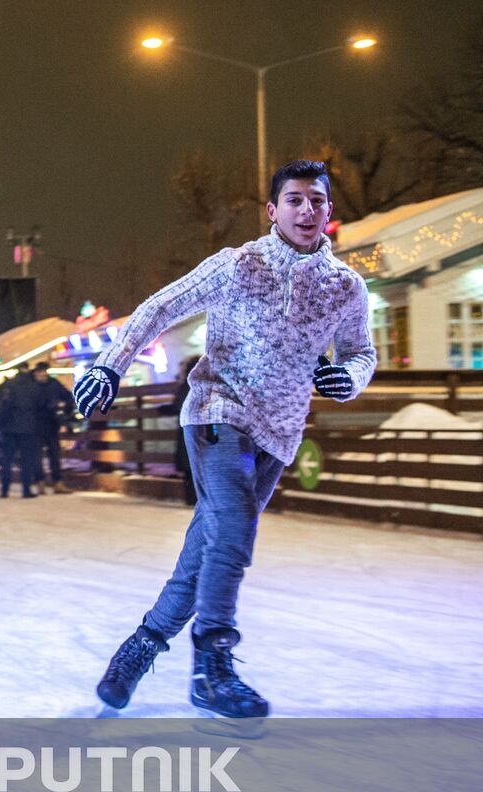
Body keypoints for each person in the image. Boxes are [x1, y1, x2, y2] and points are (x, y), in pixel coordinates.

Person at [76, 160, 376, 724]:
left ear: (330, 212)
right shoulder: (240, 266)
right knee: (233, 524)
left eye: (317, 200)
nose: (306, 210)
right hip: (219, 412)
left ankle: (139, 648)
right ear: (272, 210)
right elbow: (161, 305)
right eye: (294, 200)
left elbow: (362, 351)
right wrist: (110, 366)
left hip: (281, 432)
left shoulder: (345, 287)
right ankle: (213, 665)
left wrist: (350, 378)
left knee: (209, 548)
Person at [0, 367, 45, 499]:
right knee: (27, 460)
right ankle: (26, 489)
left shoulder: (7, 385)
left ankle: (4, 490)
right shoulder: (34, 387)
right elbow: (41, 406)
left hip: (9, 428)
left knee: (7, 459)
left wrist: (0, 424)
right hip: (28, 428)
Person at [162, 355, 201, 506]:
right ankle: (198, 500)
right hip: (205, 431)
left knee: (190, 467)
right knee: (198, 467)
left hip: (190, 431)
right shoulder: (209, 384)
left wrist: (162, 410)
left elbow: (178, 406)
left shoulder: (188, 386)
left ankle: (193, 500)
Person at [32, 362, 75, 493]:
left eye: (43, 371)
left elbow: (69, 398)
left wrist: (65, 414)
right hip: (37, 425)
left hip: (50, 424)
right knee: (38, 455)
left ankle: (57, 483)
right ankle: (41, 482)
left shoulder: (52, 384)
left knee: (54, 454)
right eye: (40, 372)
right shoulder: (34, 386)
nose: (42, 374)